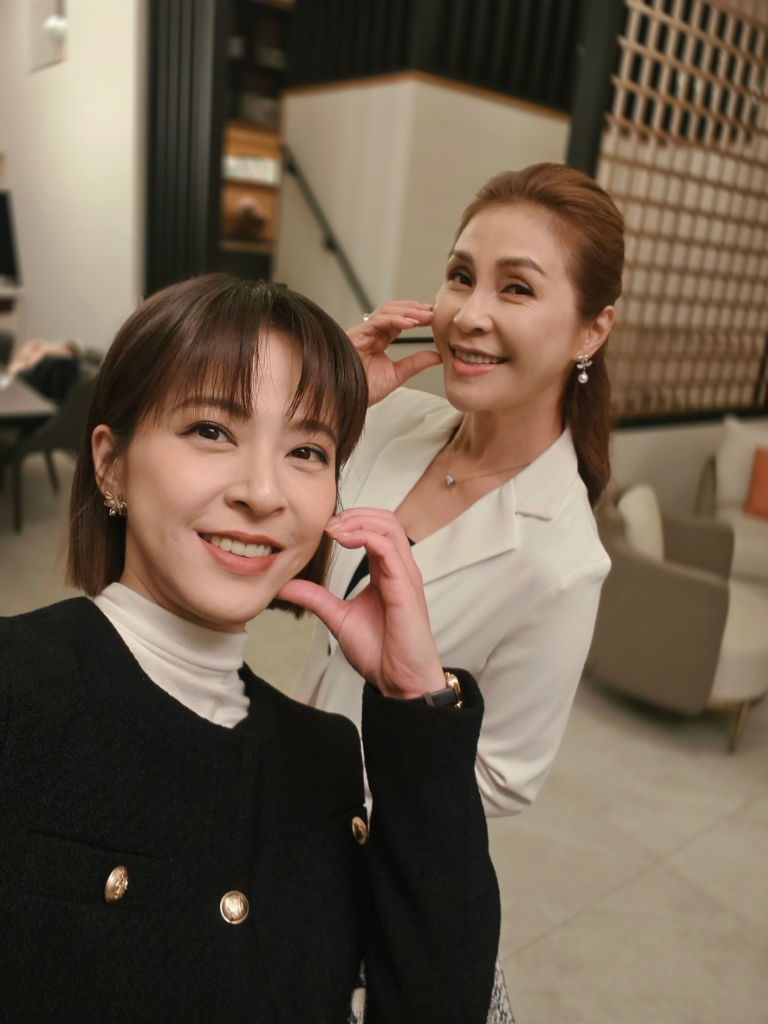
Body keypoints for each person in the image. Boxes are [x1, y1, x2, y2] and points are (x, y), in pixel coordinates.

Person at [0, 275, 501, 1023]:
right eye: (211, 430)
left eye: (307, 450)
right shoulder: (18, 689)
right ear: (110, 463)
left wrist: (416, 700)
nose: (264, 492)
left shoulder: (326, 755)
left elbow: (438, 1003)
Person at [297, 163, 624, 818]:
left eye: (517, 289)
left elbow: (503, 778)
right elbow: (256, 520)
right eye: (461, 276)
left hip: (360, 839)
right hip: (281, 768)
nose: (470, 315)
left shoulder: (563, 563)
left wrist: (359, 785)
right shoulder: (388, 422)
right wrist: (331, 396)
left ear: (592, 330)